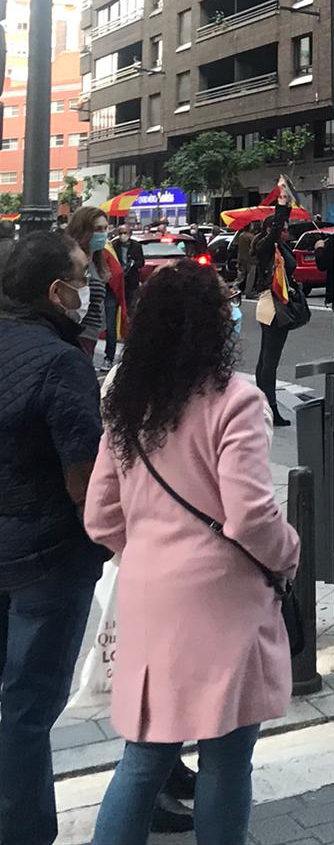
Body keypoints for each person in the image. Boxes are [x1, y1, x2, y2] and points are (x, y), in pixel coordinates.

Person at [85, 260, 300, 845]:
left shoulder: (125, 400)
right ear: (215, 326)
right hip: (225, 600)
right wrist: (288, 553)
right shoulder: (234, 399)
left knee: (144, 757)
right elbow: (251, 513)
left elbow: (100, 516)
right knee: (228, 756)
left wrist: (151, 549)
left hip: (150, 595)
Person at [0, 233, 105, 845]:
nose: (85, 290)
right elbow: (83, 476)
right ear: (55, 291)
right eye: (81, 276)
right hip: (48, 557)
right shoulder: (58, 360)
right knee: (29, 709)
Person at [247, 209, 302, 428]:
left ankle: (265, 406)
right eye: (284, 229)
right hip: (273, 305)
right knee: (270, 360)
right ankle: (270, 408)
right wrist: (283, 205)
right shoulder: (267, 246)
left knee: (267, 359)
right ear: (272, 230)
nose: (287, 232)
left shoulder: (278, 246)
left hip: (274, 303)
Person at [65, 205, 113, 357]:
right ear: (83, 230)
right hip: (77, 335)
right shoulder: (73, 259)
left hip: (90, 335)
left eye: (105, 228)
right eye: (97, 229)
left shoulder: (96, 260)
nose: (103, 234)